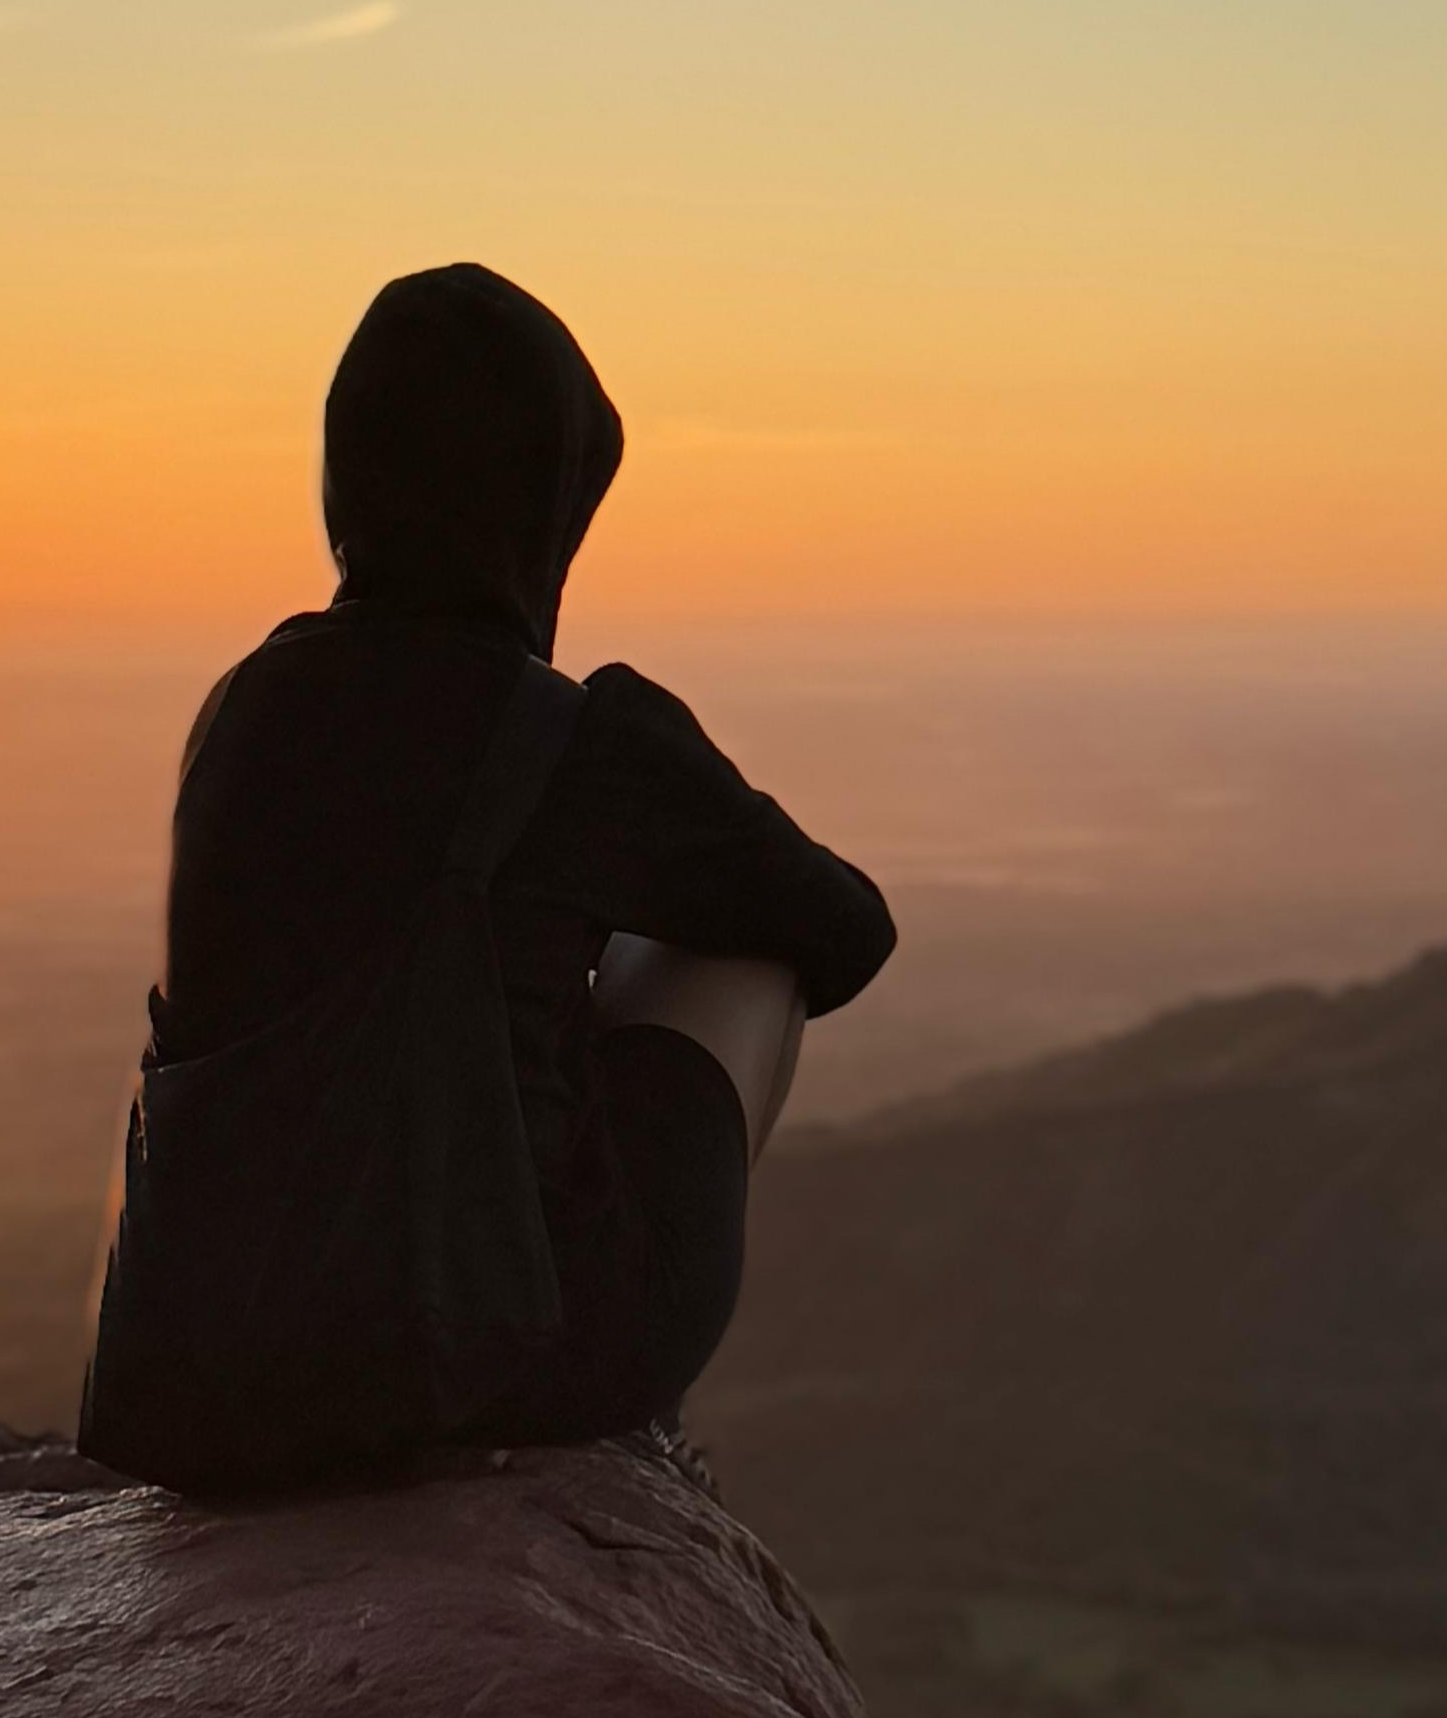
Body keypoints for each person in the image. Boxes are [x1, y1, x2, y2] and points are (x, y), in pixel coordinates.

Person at [82, 262, 895, 1485]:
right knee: (737, 944)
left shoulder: (243, 710)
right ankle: (610, 1429)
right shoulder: (575, 740)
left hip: (211, 1374)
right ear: (543, 505)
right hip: (480, 1360)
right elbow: (844, 927)